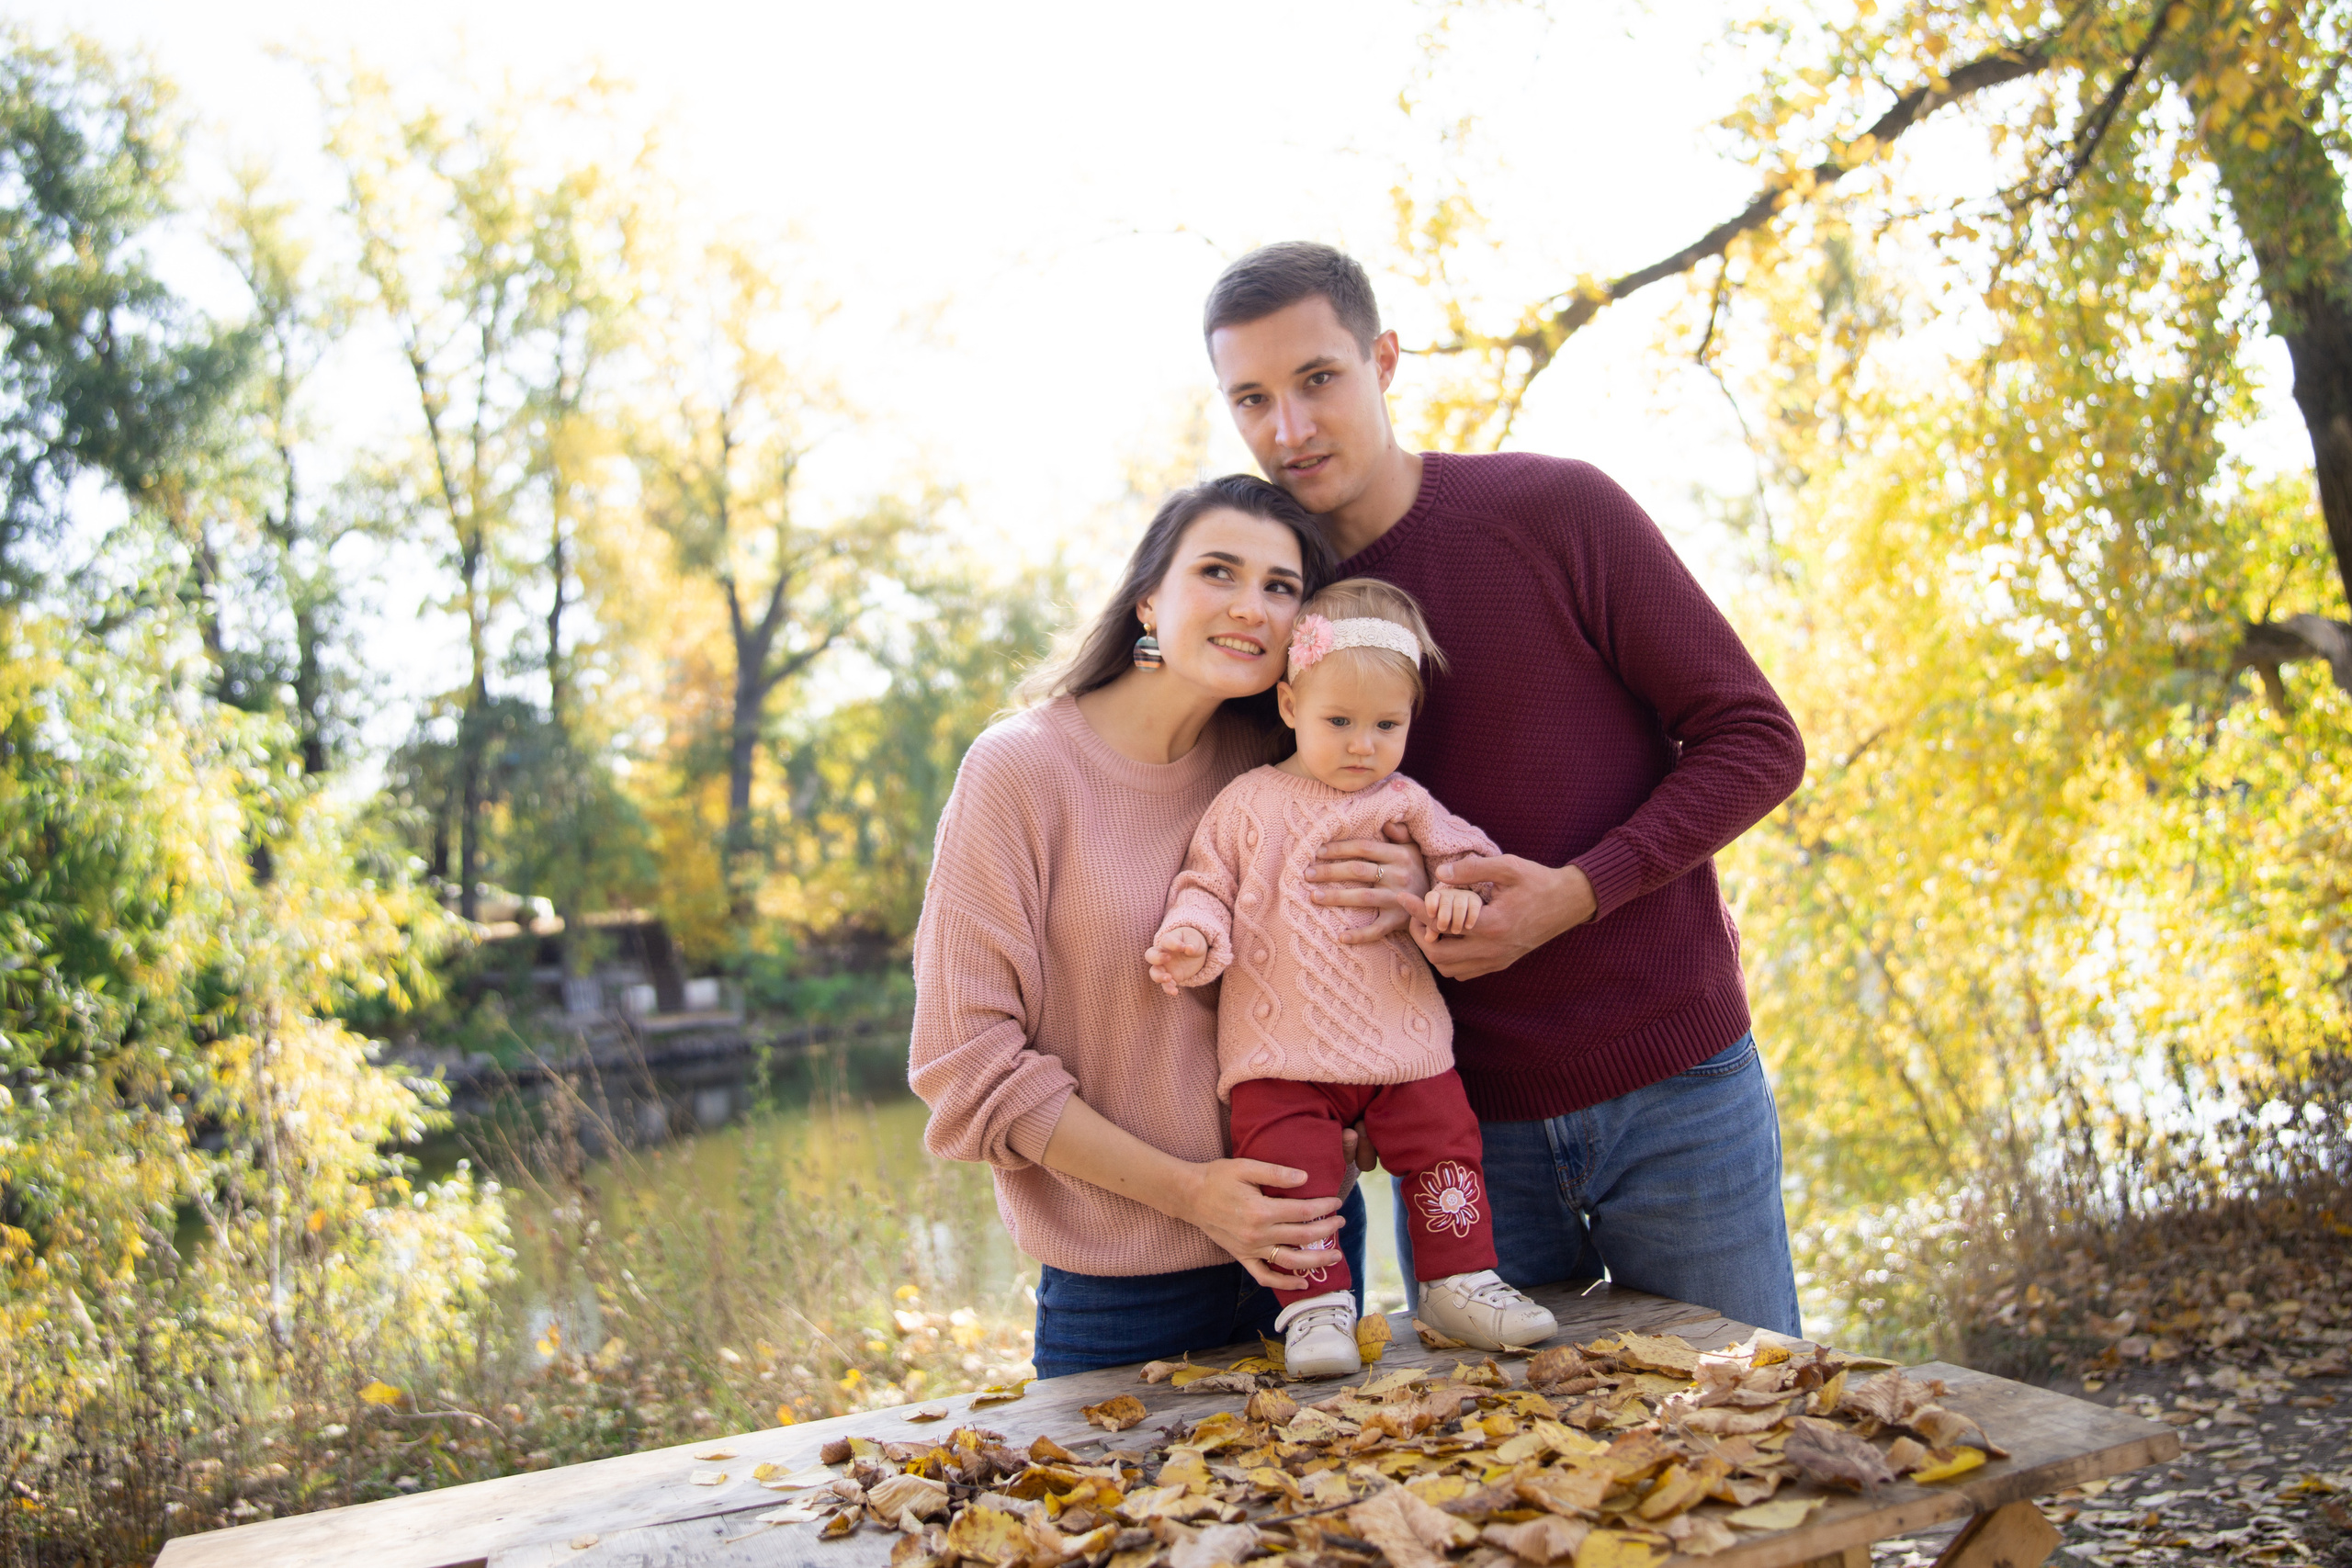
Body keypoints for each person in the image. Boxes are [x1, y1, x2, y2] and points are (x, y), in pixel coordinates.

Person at [1201, 243, 1811, 1337]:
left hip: (1675, 1087)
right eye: (1251, 398)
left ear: (1385, 360)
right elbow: (1247, 865)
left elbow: (1756, 740)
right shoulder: (1278, 615)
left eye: (1317, 379)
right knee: (1509, 1446)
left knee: (1756, 1422)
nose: (1287, 427)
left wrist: (1573, 893)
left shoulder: (1554, 510)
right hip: (1455, 1132)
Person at [909, 474, 1431, 1378]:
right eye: (1218, 571)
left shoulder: (1297, 762)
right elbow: (967, 1064)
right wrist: (1194, 1195)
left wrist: (1412, 895)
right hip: (1122, 1292)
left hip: (1313, 1250)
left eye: (1280, 586)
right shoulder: (1019, 770)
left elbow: (1361, 965)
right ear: (1148, 598)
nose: (1250, 606)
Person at [1146, 577, 1558, 1376]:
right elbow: (1205, 882)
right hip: (1281, 1048)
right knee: (1292, 1174)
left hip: (1403, 1037)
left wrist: (1456, 894)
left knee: (1445, 1148)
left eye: (1385, 725)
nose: (1362, 744)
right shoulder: (1248, 803)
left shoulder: (1404, 802)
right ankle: (1316, 1307)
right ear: (1290, 704)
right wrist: (1192, 933)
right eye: (1339, 721)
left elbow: (1471, 860)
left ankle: (1458, 1280)